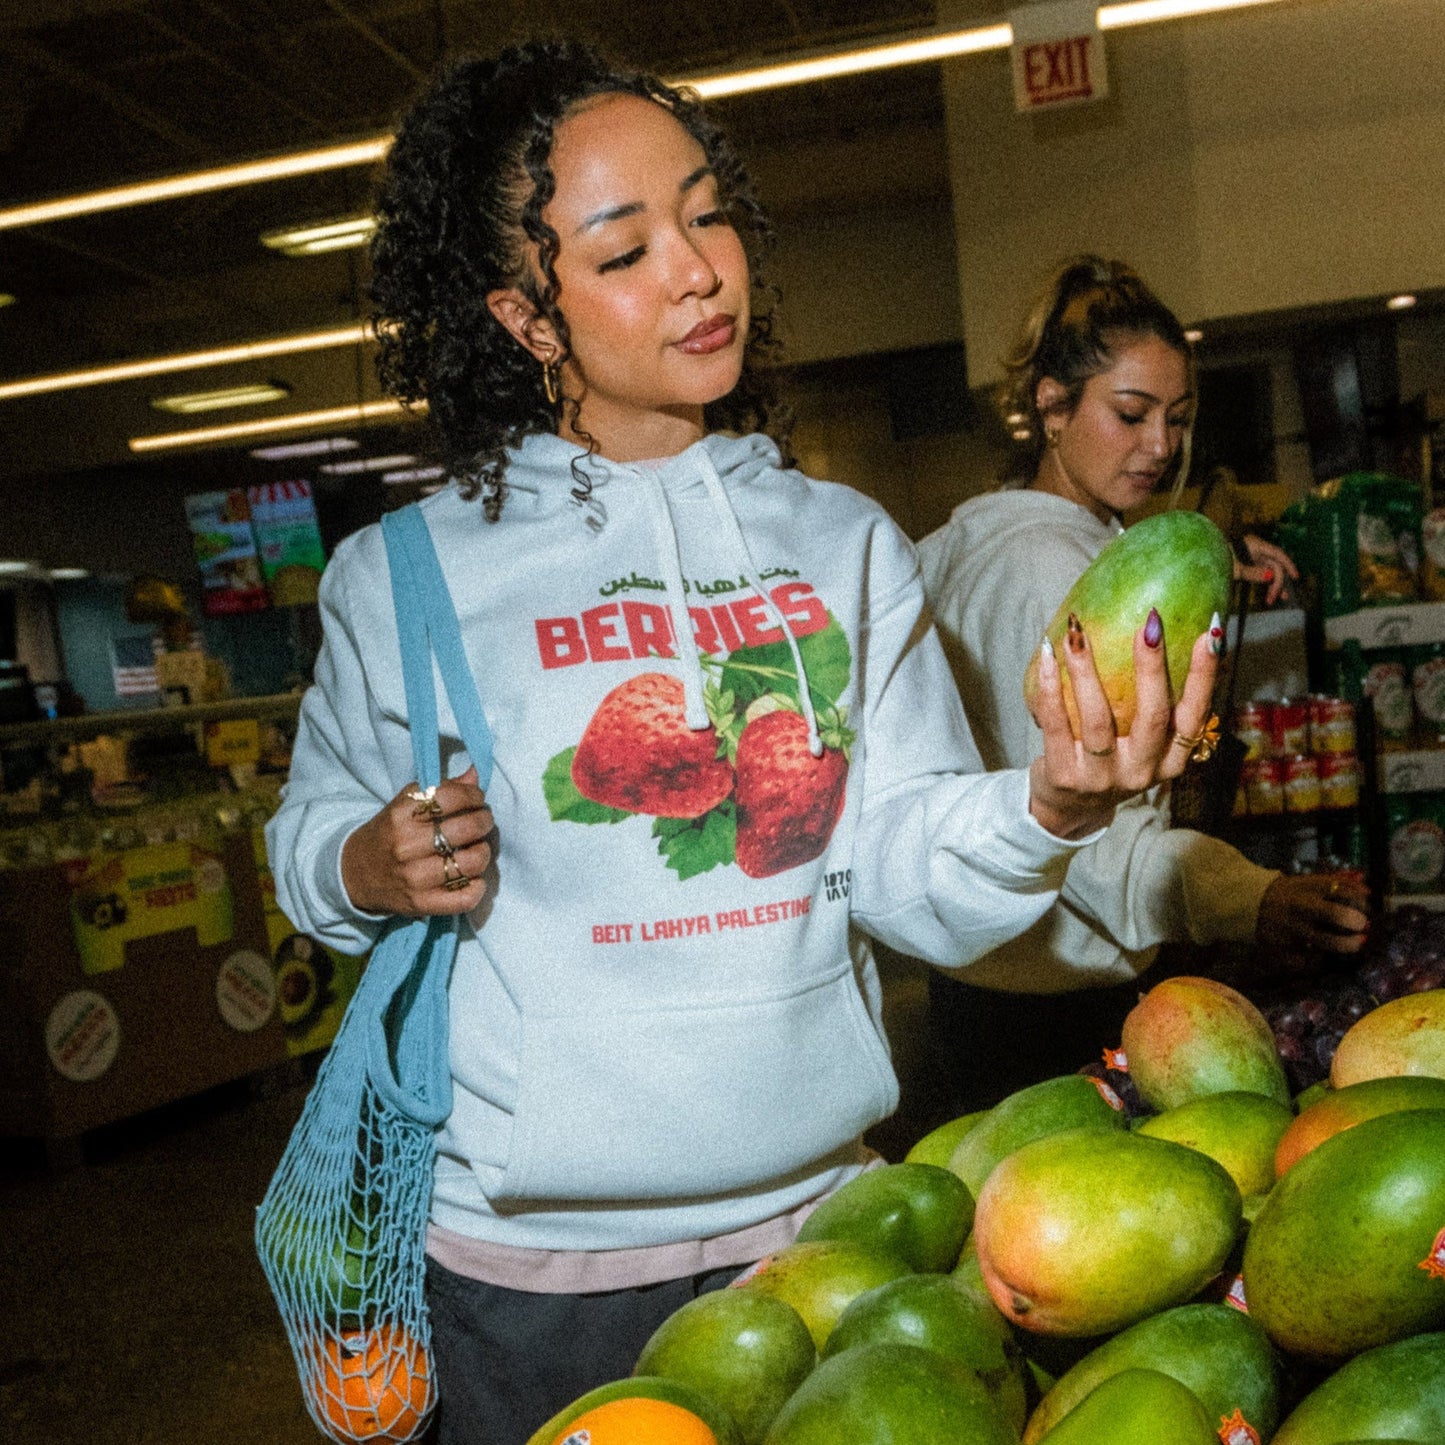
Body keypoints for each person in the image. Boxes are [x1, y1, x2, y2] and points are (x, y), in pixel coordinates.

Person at [266, 52, 1219, 1442]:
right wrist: (365, 857)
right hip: (521, 1282)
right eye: (626, 247)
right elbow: (300, 854)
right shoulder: (402, 577)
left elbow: (900, 865)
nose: (700, 270)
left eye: (707, 216)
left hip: (822, 1238)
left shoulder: (840, 543)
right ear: (527, 315)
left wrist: (1053, 801)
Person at [917, 255, 1370, 1112]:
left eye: (1177, 417)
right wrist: (1248, 897)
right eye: (1128, 414)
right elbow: (1088, 833)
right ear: (1050, 405)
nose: (1159, 446)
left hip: (975, 986)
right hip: (1053, 1007)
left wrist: (1204, 568)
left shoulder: (968, 543)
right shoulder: (1048, 565)